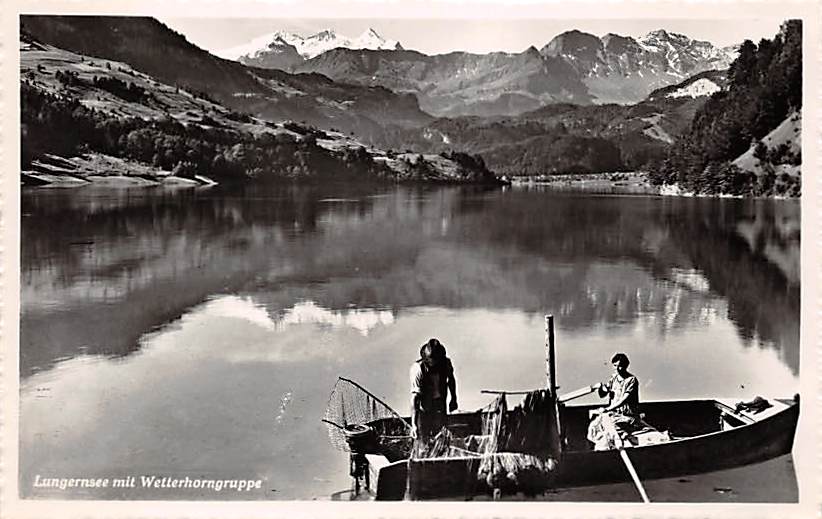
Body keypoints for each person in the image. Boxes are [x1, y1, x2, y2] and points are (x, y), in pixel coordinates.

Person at [587, 352, 641, 450]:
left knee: (611, 428)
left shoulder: (631, 380)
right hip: (614, 414)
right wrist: (601, 388)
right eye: (615, 366)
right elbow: (603, 394)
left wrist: (608, 409)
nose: (618, 369)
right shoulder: (613, 378)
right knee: (594, 426)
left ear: (626, 366)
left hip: (628, 416)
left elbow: (624, 400)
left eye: (620, 366)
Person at [410, 338, 458, 445]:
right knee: (423, 441)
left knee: (441, 438)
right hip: (424, 409)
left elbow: (451, 380)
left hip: (440, 404)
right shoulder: (418, 369)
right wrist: (414, 424)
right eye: (433, 361)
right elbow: (415, 398)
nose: (436, 362)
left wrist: (454, 399)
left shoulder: (446, 363)